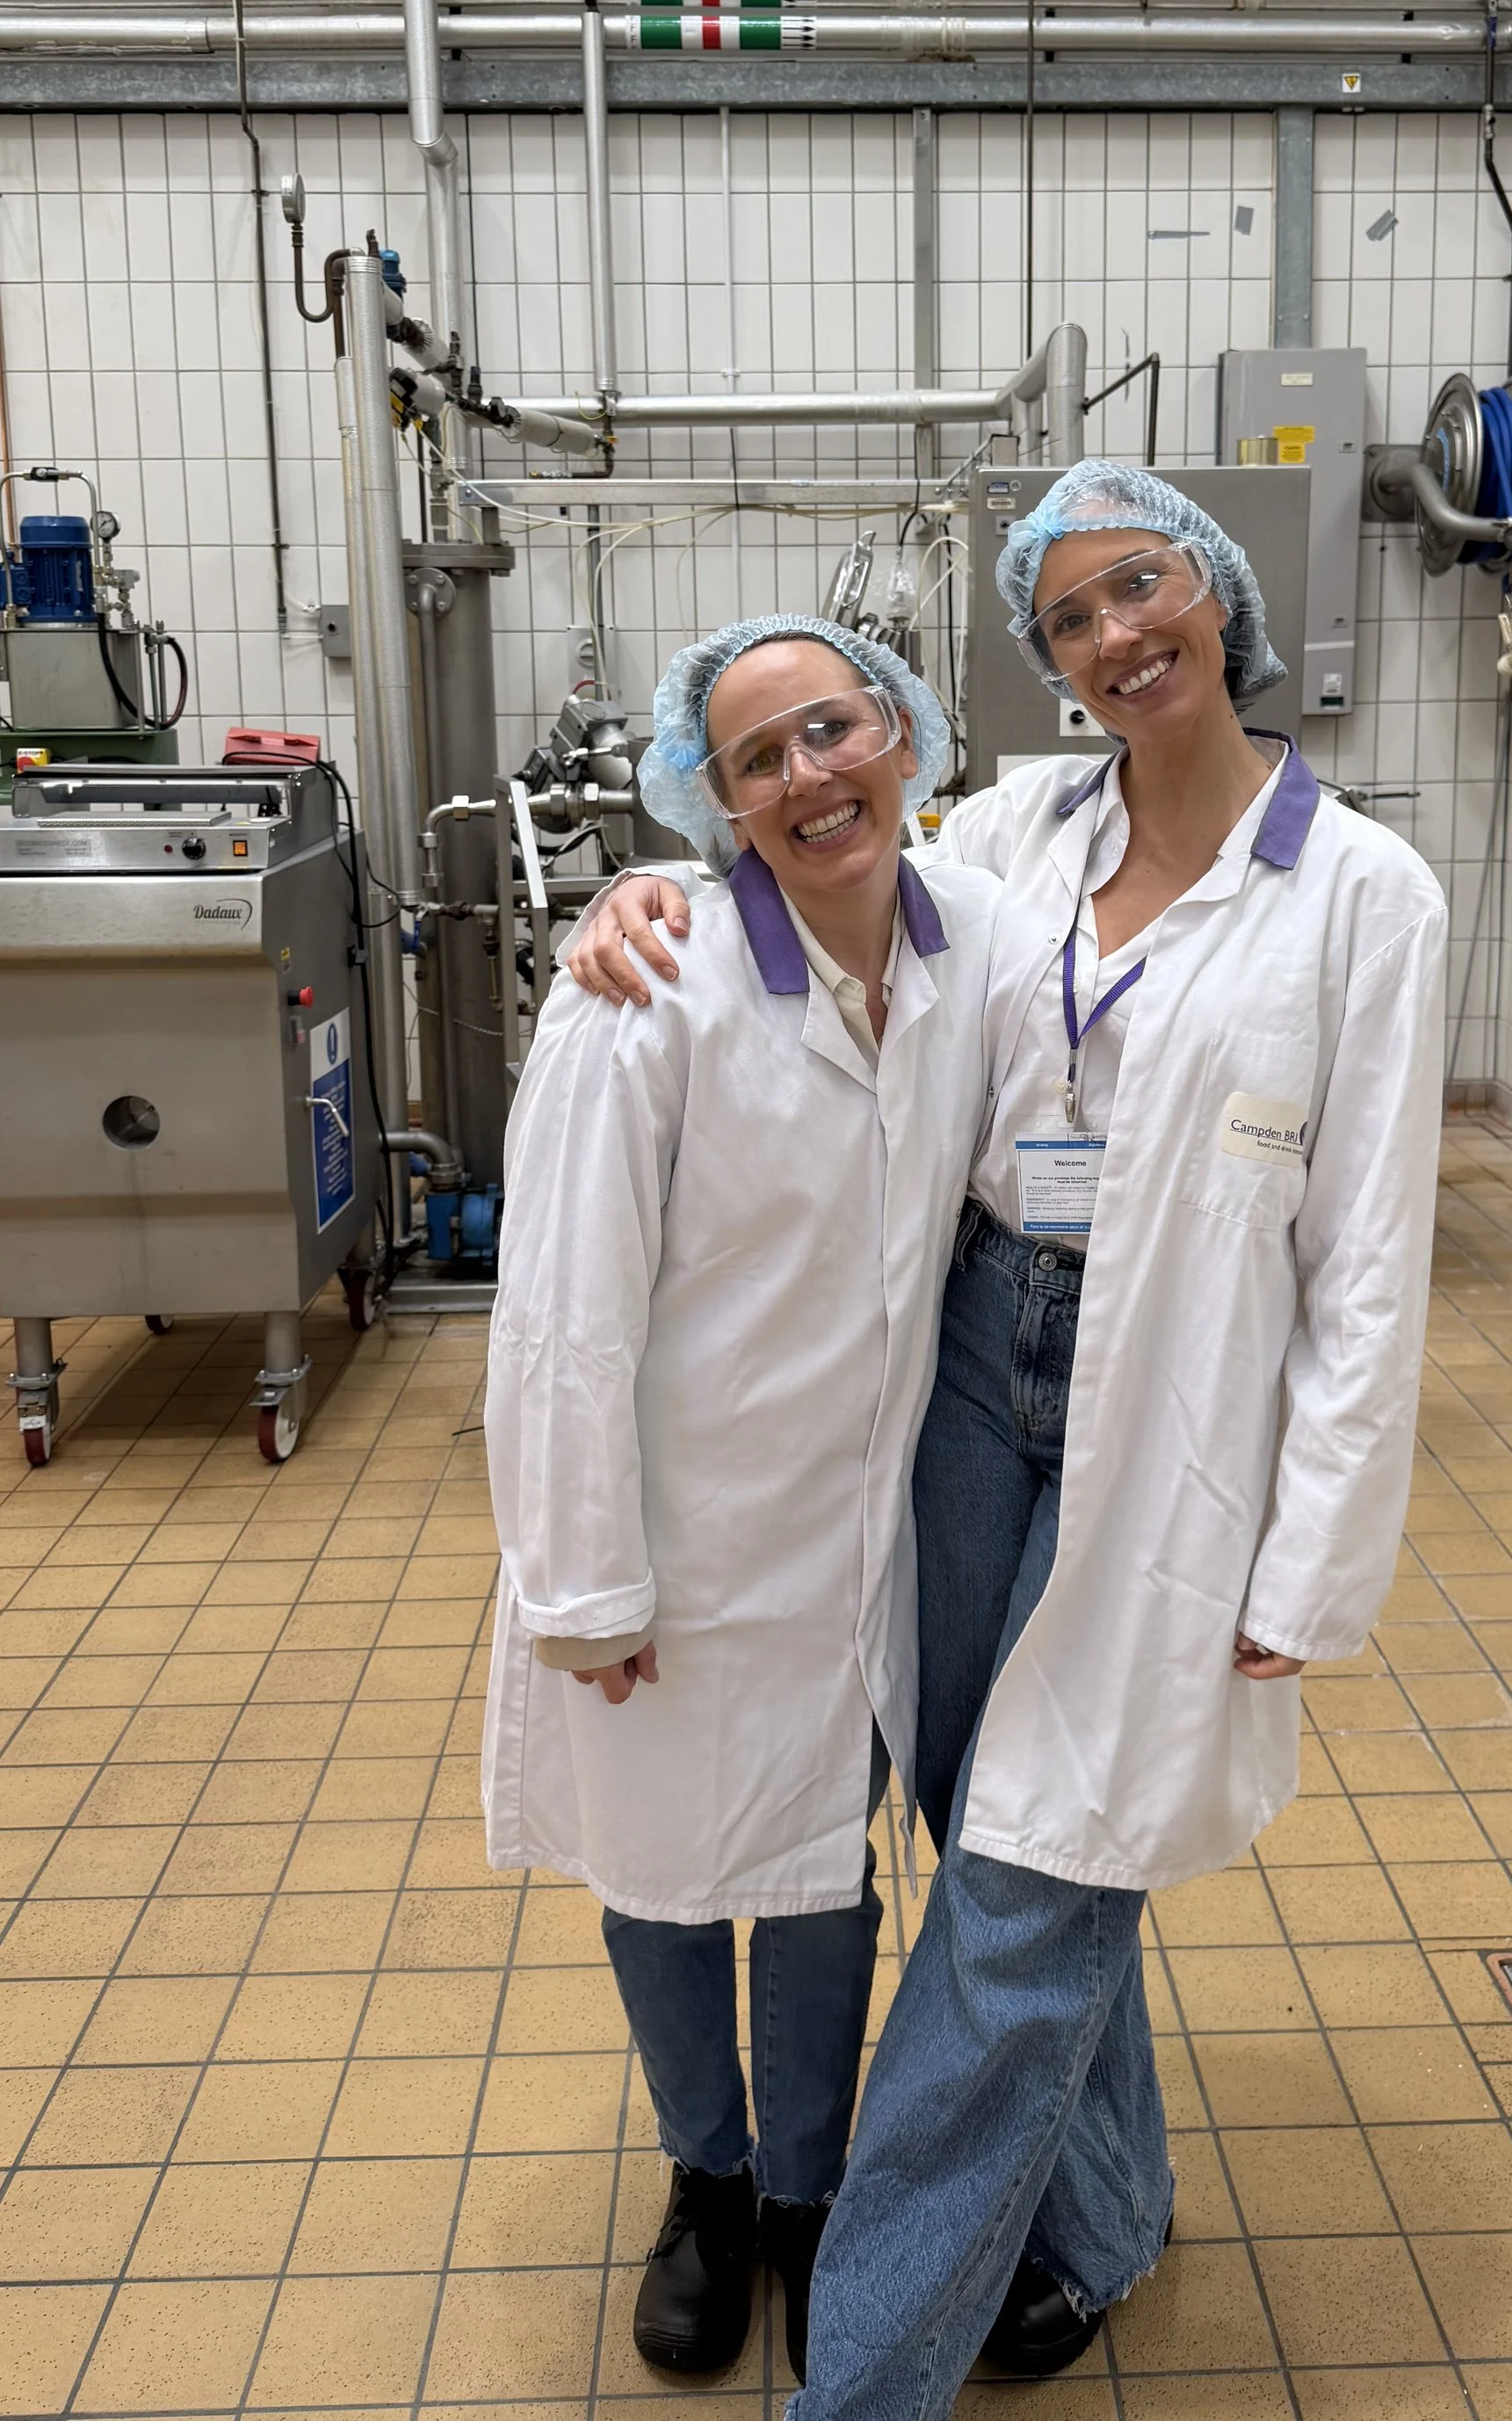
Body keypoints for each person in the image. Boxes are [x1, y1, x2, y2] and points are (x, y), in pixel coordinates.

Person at [567, 464, 1448, 2417]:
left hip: (1175, 1385)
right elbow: (820, 873)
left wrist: (1313, 1559)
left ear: (1216, 594)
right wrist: (642, 892)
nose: (1113, 635)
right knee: (1001, 1814)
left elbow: (1372, 1258)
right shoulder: (1018, 825)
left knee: (1033, 1881)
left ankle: (859, 2370)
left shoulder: (1361, 891)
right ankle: (1102, 2213)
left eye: (1139, 587)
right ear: (1039, 666)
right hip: (979, 1357)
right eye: (1066, 618)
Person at [481, 615, 1000, 2388]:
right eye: (756, 757)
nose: (807, 776)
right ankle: (703, 2180)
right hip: (675, 1533)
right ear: (710, 799)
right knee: (660, 1869)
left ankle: (805, 2187)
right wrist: (583, 1580)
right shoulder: (649, 986)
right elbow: (558, 1307)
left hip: (857, 1539)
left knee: (819, 1866)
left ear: (906, 737)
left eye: (831, 729)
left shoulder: (971, 940)